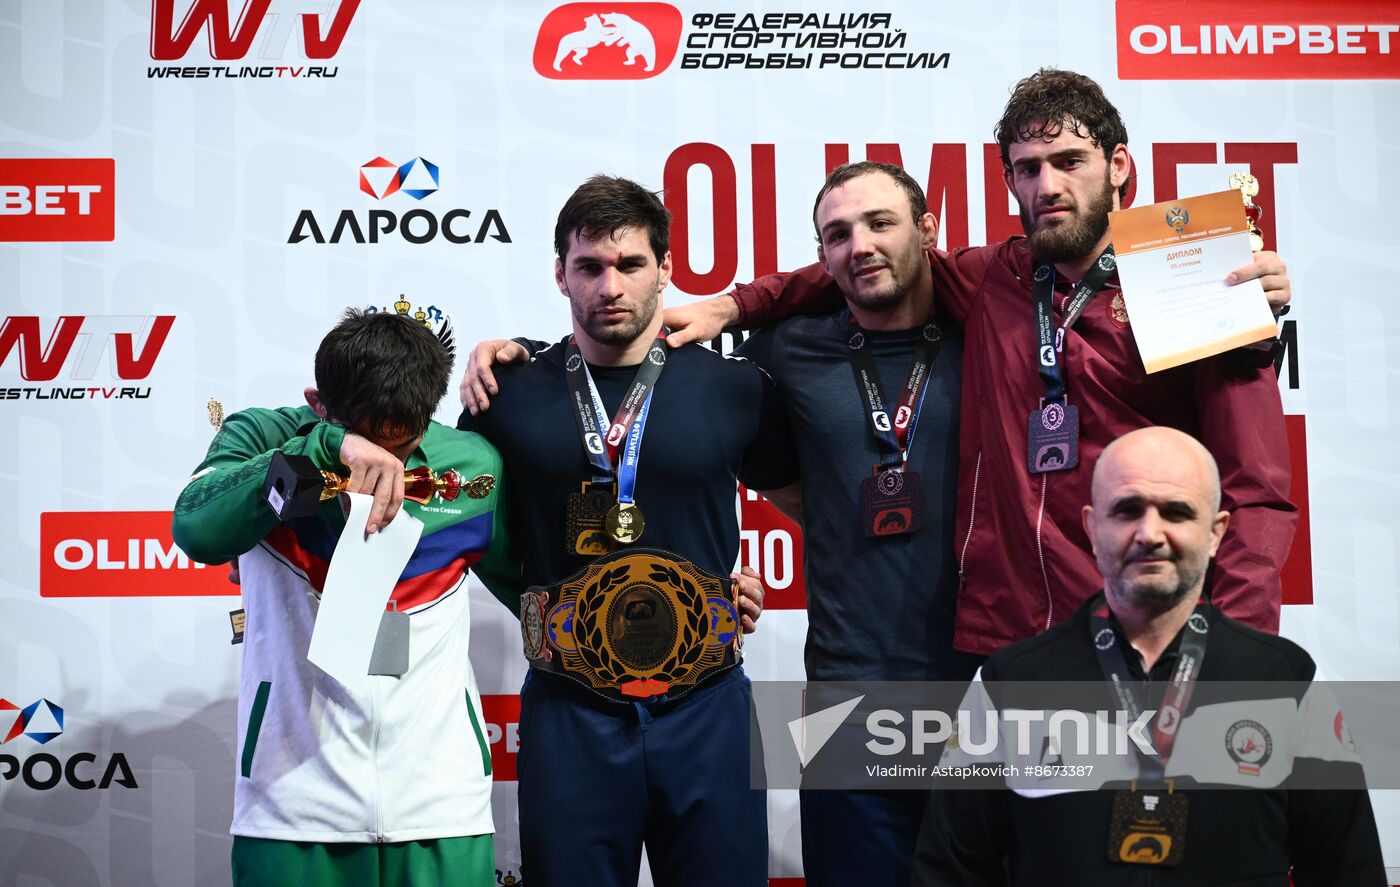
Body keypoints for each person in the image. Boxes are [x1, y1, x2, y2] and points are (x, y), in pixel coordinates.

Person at [651, 68, 1297, 659]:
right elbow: (876, 261)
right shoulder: (997, 278)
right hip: (1007, 648)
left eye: (1070, 161)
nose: (1049, 186)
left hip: (1145, 636)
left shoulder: (1197, 275)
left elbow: (1258, 493)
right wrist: (731, 307)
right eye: (1029, 168)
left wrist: (1236, 652)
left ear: (1119, 165)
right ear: (1010, 180)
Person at [455, 174, 800, 887]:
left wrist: (739, 580)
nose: (609, 284)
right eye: (589, 266)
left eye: (630, 264)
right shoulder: (505, 395)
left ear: (666, 269)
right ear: (560, 274)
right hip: (570, 708)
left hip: (708, 702)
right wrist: (540, 600)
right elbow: (469, 536)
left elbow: (812, 509)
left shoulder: (735, 388)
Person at [911, 426, 1385, 886]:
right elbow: (951, 871)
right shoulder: (1007, 683)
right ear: (1092, 528)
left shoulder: (1287, 680)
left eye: (1177, 512)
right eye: (1128, 510)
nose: (1150, 533)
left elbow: (1348, 868)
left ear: (1217, 532)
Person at [172, 309, 519, 886]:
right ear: (318, 402)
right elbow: (197, 530)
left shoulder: (472, 465)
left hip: (442, 806)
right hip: (291, 808)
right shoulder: (261, 437)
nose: (391, 468)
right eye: (372, 444)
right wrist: (326, 449)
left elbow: (538, 585)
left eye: (406, 444)